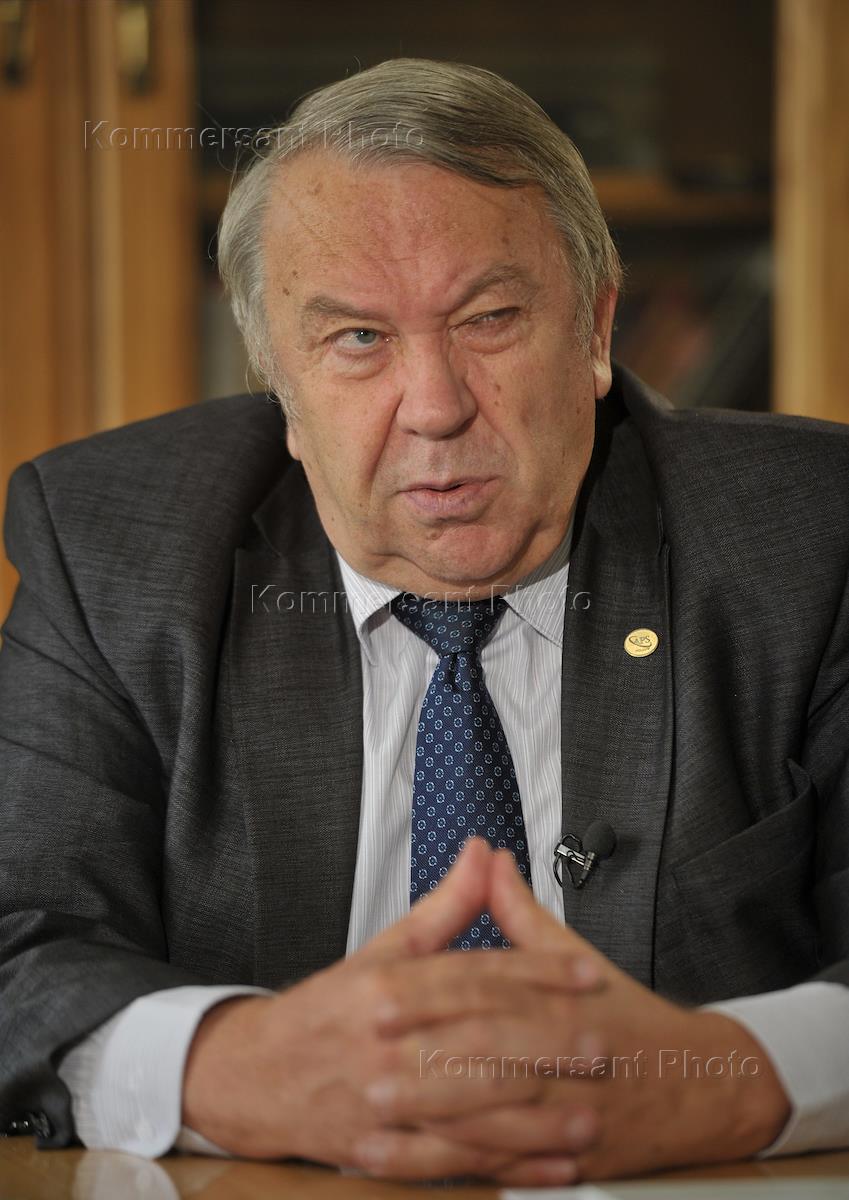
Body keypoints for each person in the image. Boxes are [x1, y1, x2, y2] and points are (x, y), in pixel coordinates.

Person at [1, 57, 848, 1188]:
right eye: (358, 339)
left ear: (596, 329)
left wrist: (723, 1081)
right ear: (279, 383)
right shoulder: (116, 546)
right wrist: (236, 1068)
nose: (437, 407)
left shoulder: (809, 537)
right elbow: (21, 943)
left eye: (489, 319)